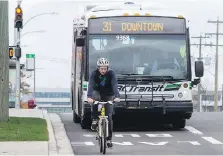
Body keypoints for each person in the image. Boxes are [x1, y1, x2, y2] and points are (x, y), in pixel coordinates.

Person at [87, 57, 120, 148]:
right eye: (101, 68)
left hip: (108, 94)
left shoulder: (111, 74)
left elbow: (114, 84)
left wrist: (117, 96)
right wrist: (89, 97)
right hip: (97, 92)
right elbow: (90, 85)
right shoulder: (94, 74)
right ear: (98, 68)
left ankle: (109, 139)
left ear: (107, 68)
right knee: (95, 100)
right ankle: (94, 119)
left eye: (105, 68)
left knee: (109, 117)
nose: (103, 70)